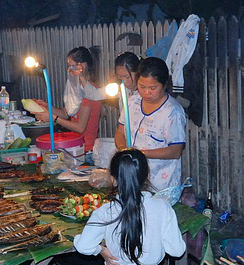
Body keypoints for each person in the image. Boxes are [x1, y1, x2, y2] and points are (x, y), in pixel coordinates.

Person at [73, 149, 186, 265]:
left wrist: (100, 249)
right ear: (147, 176)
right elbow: (177, 251)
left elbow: (83, 246)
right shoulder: (163, 207)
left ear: (113, 179)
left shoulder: (106, 211)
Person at [115, 57, 186, 192]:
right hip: (133, 179)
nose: (146, 92)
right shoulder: (132, 101)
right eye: (142, 86)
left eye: (153, 88)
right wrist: (123, 149)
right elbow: (120, 132)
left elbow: (175, 151)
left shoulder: (172, 112)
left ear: (164, 85)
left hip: (160, 185)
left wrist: (139, 154)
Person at [33, 46, 102, 156]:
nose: (69, 70)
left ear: (82, 66)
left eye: (72, 66)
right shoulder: (77, 89)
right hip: (75, 146)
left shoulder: (90, 94)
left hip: (86, 150)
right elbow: (66, 114)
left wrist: (53, 118)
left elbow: (80, 128)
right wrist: (47, 107)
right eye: (68, 66)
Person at [84, 52, 140, 168]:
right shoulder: (121, 88)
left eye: (127, 76)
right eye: (120, 77)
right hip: (126, 142)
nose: (124, 81)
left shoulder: (146, 94)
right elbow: (94, 95)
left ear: (138, 72)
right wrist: (81, 75)